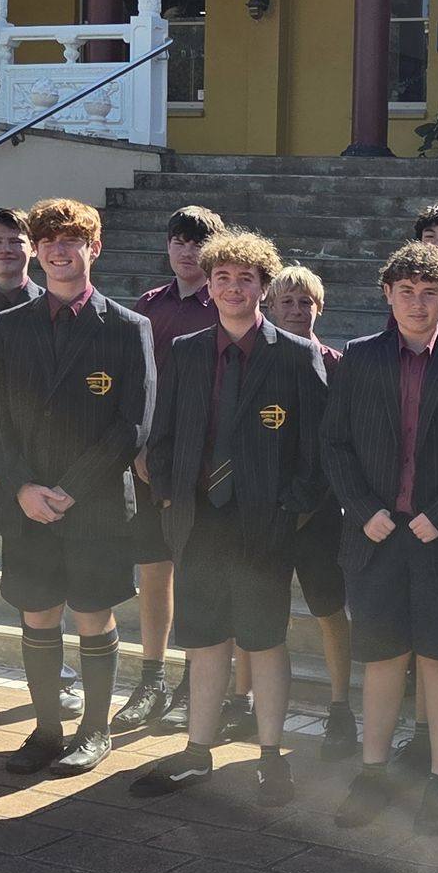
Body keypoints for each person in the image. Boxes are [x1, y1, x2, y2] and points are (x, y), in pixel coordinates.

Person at [133, 230, 331, 807]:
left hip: (264, 525)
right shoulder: (189, 351)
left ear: (263, 288)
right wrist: (168, 496)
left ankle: (270, 756)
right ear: (210, 285)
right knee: (205, 639)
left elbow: (318, 447)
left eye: (246, 278)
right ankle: (197, 751)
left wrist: (291, 509)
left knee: (263, 640)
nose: (234, 288)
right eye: (223, 277)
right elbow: (162, 433)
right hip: (199, 520)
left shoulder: (295, 355)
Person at [319, 242, 438, 835]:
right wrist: (362, 508)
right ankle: (372, 773)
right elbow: (334, 444)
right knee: (381, 659)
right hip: (375, 536)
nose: (418, 304)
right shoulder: (361, 357)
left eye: (430, 293)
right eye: (406, 292)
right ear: (388, 294)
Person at [0, 197, 154, 777]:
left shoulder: (128, 328)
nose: (59, 251)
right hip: (28, 503)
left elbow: (133, 424)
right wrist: (22, 487)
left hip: (96, 503)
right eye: (49, 241)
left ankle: (94, 729)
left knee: (92, 615)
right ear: (37, 251)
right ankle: (47, 729)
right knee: (37, 614)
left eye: (71, 241)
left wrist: (72, 489)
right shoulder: (9, 327)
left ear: (93, 248)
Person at [0, 208, 77, 718]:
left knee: (46, 578)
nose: (6, 250)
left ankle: (57, 682)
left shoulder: (53, 306)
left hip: (33, 470)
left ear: (33, 249)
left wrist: (14, 464)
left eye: (16, 241)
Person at [121, 204, 228, 737]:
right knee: (153, 567)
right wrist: (139, 449)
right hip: (150, 456)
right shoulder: (148, 305)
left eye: (198, 242)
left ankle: (193, 681)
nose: (187, 251)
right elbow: (136, 382)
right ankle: (152, 678)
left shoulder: (225, 303)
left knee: (196, 570)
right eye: (179, 241)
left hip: (202, 462)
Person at [268, 265, 357, 755]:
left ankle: (340, 709)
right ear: (270, 306)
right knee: (262, 613)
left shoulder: (338, 365)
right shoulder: (257, 360)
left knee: (329, 610)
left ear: (320, 308)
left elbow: (341, 442)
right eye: (287, 302)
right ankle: (248, 701)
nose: (297, 310)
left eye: (306, 302)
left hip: (320, 513)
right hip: (266, 511)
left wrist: (310, 501)